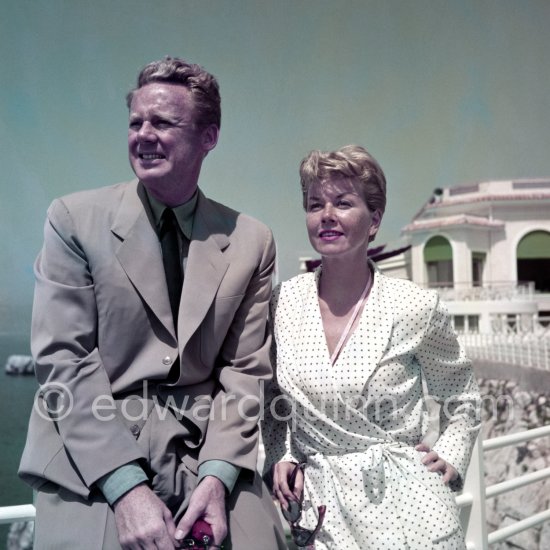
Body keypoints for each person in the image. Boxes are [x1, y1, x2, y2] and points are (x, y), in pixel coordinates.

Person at [19, 56, 286, 550]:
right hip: (95, 450)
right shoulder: (73, 220)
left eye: (163, 122)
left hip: (206, 448)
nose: (143, 134)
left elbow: (245, 370)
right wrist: (126, 489)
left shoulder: (251, 241)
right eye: (136, 122)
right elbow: (65, 361)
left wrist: (218, 475)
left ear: (209, 137)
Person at [261, 145, 481, 549]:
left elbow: (461, 396)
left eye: (343, 203)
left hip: (410, 511)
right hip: (322, 510)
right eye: (315, 205)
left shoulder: (414, 306)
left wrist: (450, 452)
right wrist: (282, 454)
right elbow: (272, 397)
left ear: (374, 219)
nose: (326, 215)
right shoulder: (282, 303)